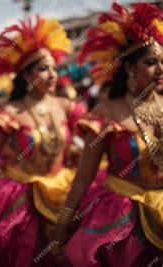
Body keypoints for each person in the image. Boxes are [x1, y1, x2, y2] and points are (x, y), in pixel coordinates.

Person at [0, 16, 87, 266]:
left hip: (63, 188)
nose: (51, 75)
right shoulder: (10, 113)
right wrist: (0, 191)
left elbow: (88, 143)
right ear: (26, 76)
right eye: (42, 69)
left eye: (53, 68)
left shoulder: (67, 107)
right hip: (22, 195)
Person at [54, 3, 163, 265]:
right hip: (120, 215)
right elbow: (82, 178)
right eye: (151, 62)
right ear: (128, 68)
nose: (160, 68)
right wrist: (60, 231)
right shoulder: (106, 113)